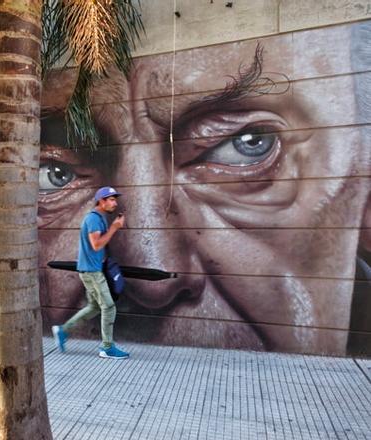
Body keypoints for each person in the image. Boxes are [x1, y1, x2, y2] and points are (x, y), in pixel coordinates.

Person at [39, 21, 371, 356]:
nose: (151, 276)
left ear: (365, 189)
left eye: (248, 144)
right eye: (54, 173)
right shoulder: (96, 221)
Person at [52, 186, 130, 359]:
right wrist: (114, 228)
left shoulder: (99, 218)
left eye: (114, 199)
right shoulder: (93, 219)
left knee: (94, 307)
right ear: (101, 201)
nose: (114, 203)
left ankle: (63, 331)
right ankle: (107, 347)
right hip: (92, 272)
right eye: (111, 199)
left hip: (92, 270)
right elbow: (96, 245)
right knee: (108, 307)